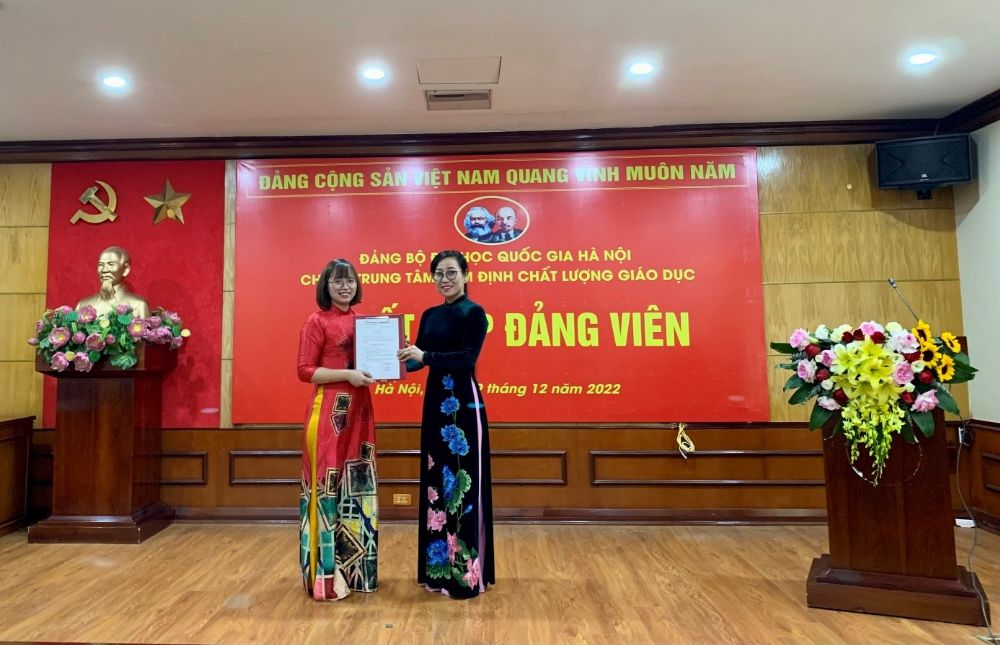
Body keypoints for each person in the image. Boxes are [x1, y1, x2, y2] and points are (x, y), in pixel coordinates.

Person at [397, 250, 495, 599]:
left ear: (466, 275)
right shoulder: (430, 315)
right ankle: (438, 572)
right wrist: (393, 359)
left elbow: (467, 358)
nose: (445, 279)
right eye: (438, 273)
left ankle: (464, 577)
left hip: (462, 407)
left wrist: (425, 356)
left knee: (462, 489)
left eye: (452, 272)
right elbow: (416, 363)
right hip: (435, 405)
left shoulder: (474, 313)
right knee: (436, 486)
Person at [296, 258, 377, 601]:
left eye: (350, 281)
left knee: (357, 489)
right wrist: (347, 375)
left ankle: (358, 574)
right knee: (327, 490)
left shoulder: (365, 323)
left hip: (361, 412)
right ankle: (326, 578)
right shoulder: (316, 321)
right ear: (325, 286)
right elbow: (304, 370)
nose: (345, 286)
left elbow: (376, 362)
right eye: (337, 281)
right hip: (329, 413)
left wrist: (394, 357)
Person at [76, 246, 151, 318]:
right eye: (101, 265)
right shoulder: (83, 305)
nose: (104, 270)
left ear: (125, 270)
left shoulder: (139, 305)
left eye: (111, 264)